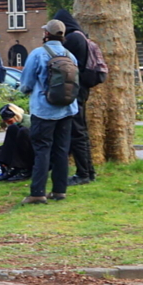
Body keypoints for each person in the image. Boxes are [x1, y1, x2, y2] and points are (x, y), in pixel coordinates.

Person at [18, 19, 79, 204]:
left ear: (46, 34)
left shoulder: (38, 54)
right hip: (67, 109)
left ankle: (38, 192)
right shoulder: (70, 55)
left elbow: (26, 84)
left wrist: (26, 91)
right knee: (61, 150)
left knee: (42, 150)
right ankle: (59, 191)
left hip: (44, 110)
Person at [53, 10, 97, 186]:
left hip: (75, 90)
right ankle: (88, 171)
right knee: (81, 131)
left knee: (77, 132)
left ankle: (83, 173)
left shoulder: (72, 39)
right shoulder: (81, 36)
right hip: (82, 89)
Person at [0, 103, 33, 182]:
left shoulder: (28, 122)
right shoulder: (15, 125)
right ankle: (10, 167)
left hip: (34, 150)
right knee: (12, 128)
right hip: (24, 148)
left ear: (16, 116)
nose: (8, 123)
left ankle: (25, 169)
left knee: (23, 131)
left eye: (10, 121)